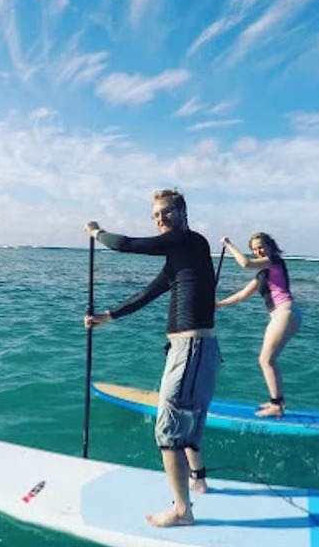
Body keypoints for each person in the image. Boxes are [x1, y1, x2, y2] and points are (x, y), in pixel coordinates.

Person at [83, 188, 221, 527]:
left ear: (182, 212)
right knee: (187, 422)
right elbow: (147, 295)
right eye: (156, 215)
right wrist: (108, 316)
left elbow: (127, 244)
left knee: (168, 431)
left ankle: (181, 511)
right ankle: (198, 479)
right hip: (192, 350)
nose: (160, 220)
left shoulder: (189, 241)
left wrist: (96, 233)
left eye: (166, 212)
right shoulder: (180, 258)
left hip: (191, 350)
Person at [216, 232, 301, 417]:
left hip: (284, 313)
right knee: (269, 360)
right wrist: (218, 305)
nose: (258, 251)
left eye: (261, 247)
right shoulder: (263, 274)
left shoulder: (274, 261)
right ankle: (277, 401)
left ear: (270, 246)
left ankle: (277, 405)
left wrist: (229, 244)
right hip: (285, 315)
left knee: (265, 360)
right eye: (254, 249)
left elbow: (245, 264)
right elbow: (241, 295)